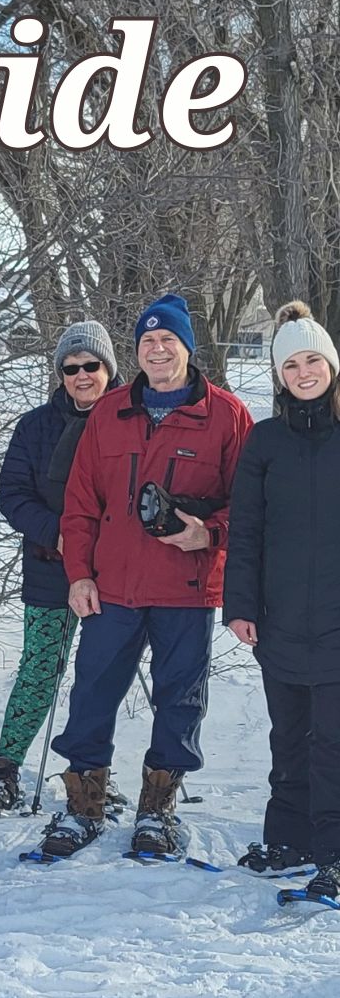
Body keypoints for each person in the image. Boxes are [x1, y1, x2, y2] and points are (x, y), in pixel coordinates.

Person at [35, 293, 252, 860]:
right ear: (137, 352)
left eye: (168, 340)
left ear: (187, 347)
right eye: (148, 342)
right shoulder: (109, 412)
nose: (157, 350)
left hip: (185, 587)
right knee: (91, 694)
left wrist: (211, 533)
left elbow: (250, 504)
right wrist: (79, 574)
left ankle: (157, 812)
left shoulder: (227, 415)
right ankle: (83, 805)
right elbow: (80, 503)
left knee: (180, 699)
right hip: (113, 587)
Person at [0, 321, 120, 817]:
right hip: (51, 567)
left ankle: (89, 774)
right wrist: (58, 533)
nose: (81, 375)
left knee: (100, 677)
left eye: (91, 366)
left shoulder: (131, 419)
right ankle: (5, 770)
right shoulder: (35, 426)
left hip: (114, 572)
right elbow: (11, 495)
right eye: (70, 368)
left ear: (108, 368)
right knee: (39, 671)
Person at [224, 302, 340, 900]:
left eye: (312, 359)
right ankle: (289, 839)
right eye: (291, 363)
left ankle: (334, 852)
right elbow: (245, 531)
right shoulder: (265, 442)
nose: (303, 371)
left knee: (334, 743)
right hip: (280, 620)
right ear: (279, 373)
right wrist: (239, 605)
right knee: (288, 738)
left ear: (331, 365)